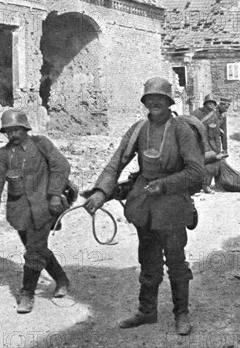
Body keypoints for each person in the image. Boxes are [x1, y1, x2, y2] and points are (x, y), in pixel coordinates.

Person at [84, 77, 204, 335]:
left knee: (176, 261)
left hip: (172, 204)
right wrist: (100, 192)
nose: (154, 103)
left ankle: (181, 313)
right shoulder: (139, 129)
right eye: (150, 99)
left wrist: (165, 185)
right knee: (148, 260)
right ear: (145, 102)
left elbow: (196, 172)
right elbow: (116, 163)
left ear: (169, 102)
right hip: (144, 205)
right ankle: (147, 310)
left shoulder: (181, 129)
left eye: (160, 99)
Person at [0, 109, 71, 314]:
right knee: (39, 248)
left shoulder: (41, 144)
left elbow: (61, 167)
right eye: (8, 131)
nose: (13, 134)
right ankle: (61, 279)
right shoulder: (4, 154)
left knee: (33, 251)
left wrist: (54, 194)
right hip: (20, 213)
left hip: (44, 208)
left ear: (25, 128)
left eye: (16, 130)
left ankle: (27, 295)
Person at [191, 94, 223, 193]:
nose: (211, 105)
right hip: (198, 143)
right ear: (205, 103)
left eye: (213, 103)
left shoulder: (215, 115)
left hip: (211, 144)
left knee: (211, 165)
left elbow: (217, 133)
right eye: (209, 103)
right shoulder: (196, 113)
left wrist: (218, 148)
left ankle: (206, 185)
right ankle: (197, 185)